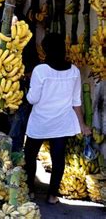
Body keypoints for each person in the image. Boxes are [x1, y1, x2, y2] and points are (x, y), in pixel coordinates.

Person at [24, 33, 91, 205]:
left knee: (30, 154)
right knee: (58, 157)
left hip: (40, 122)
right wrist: (82, 124)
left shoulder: (40, 71)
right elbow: (76, 101)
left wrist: (27, 85)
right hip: (61, 123)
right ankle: (52, 195)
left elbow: (32, 99)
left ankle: (30, 190)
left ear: (45, 50)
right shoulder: (74, 71)